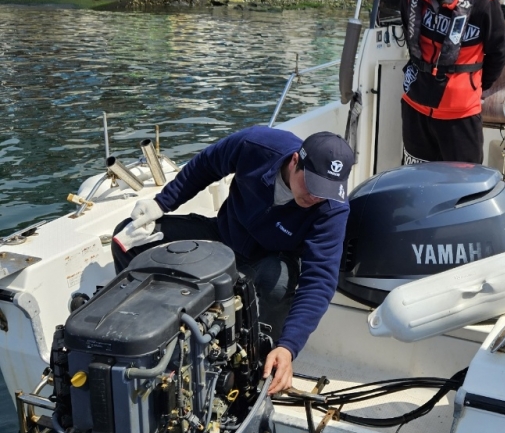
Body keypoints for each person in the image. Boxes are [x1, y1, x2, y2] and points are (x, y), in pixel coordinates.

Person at [112, 127, 355, 395]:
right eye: (312, 185)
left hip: (270, 260)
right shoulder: (257, 145)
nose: (316, 197)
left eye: (327, 191)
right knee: (129, 239)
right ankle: (143, 329)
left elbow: (319, 280)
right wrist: (162, 204)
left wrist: (288, 346)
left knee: (280, 281)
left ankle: (261, 360)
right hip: (223, 235)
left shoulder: (332, 208)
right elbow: (205, 165)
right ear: (295, 161)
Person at [400, 0, 505, 164]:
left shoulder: (485, 3)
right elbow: (408, 31)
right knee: (415, 177)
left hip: (460, 114)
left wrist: (472, 86)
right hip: (415, 105)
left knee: (462, 186)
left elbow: (499, 53)